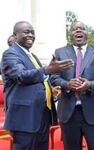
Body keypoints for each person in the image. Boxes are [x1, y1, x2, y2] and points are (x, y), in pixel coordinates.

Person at [1, 21, 74, 150]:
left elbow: (39, 78)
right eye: (26, 32)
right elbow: (21, 75)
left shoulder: (31, 55)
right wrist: (47, 70)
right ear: (15, 35)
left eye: (32, 32)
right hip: (24, 117)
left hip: (41, 114)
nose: (30, 35)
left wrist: (52, 88)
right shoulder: (10, 54)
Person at [50, 21, 94, 150]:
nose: (78, 31)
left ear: (87, 33)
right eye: (74, 29)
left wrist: (90, 85)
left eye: (82, 29)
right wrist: (67, 84)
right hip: (69, 113)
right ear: (70, 34)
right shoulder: (60, 52)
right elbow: (54, 78)